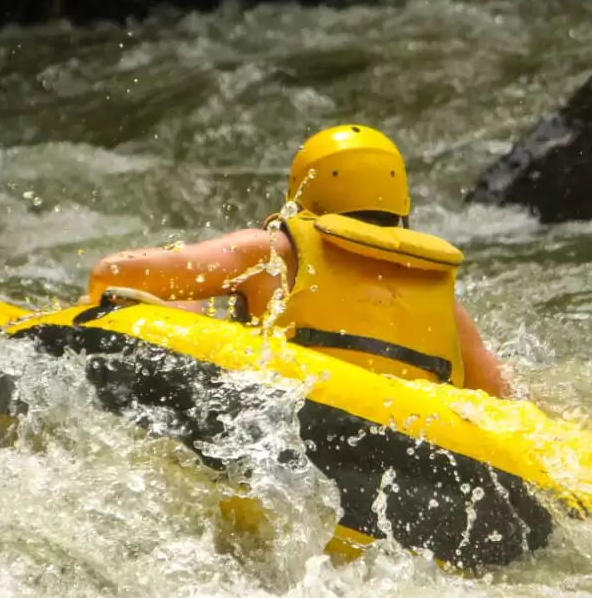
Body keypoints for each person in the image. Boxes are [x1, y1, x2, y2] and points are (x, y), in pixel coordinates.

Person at [84, 124, 513, 398]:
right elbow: (502, 398)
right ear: (401, 203)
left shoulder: (274, 253)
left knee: (185, 300)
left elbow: (112, 273)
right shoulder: (440, 296)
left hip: (296, 426)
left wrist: (190, 318)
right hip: (414, 454)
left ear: (304, 193)